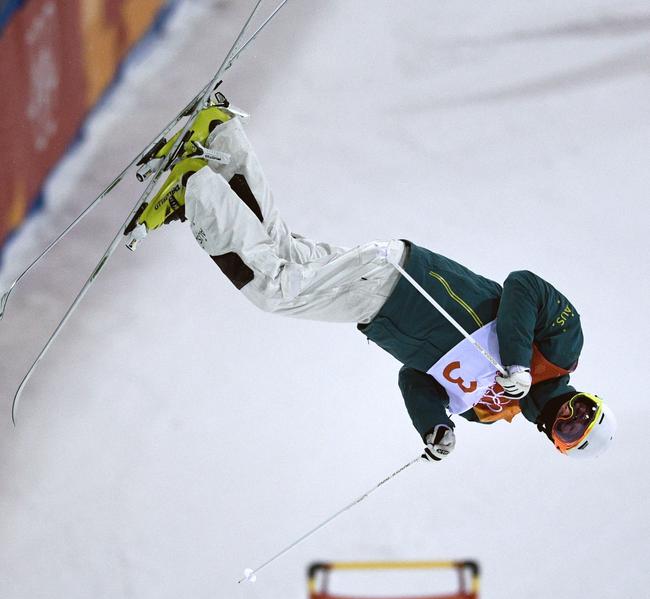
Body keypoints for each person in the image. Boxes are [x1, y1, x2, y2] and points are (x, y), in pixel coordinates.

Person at [130, 97, 616, 462]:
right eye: (582, 411)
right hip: (400, 286)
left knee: (281, 254)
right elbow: (523, 285)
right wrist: (518, 363)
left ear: (557, 444)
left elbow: (415, 377)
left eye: (570, 433)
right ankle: (193, 185)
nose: (569, 418)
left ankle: (221, 139)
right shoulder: (562, 347)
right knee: (274, 291)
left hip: (378, 298)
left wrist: (434, 425)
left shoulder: (489, 412)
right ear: (586, 396)